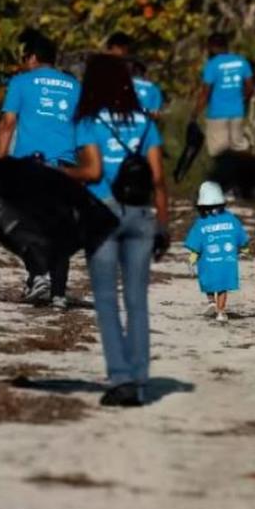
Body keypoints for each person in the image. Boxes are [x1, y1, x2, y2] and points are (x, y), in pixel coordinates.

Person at [62, 54, 170, 407]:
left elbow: (92, 172)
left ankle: (120, 378)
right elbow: (158, 179)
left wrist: (59, 172)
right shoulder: (143, 122)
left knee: (106, 300)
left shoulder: (88, 120)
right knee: (137, 301)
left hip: (102, 214)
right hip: (141, 215)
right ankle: (140, 378)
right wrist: (163, 225)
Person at [0, 30, 81, 308]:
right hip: (66, 165)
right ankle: (58, 294)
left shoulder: (20, 82)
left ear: (32, 57)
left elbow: (8, 124)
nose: (23, 61)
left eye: (24, 56)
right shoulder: (74, 86)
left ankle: (38, 277)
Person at [184, 181, 249, 322]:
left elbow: (196, 243)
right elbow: (240, 235)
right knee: (223, 286)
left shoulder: (201, 222)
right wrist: (244, 248)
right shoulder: (231, 219)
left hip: (208, 260)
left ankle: (211, 302)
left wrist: (193, 257)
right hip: (226, 260)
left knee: (208, 281)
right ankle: (220, 312)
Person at [191, 32, 255, 156]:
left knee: (219, 152)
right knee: (238, 148)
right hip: (237, 112)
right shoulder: (242, 61)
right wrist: (242, 101)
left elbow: (205, 93)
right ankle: (244, 171)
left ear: (211, 47)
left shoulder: (212, 65)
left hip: (217, 114)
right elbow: (250, 87)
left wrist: (194, 114)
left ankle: (225, 174)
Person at [105, 32, 164, 118]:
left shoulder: (145, 85)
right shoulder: (102, 69)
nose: (125, 52)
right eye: (123, 48)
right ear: (115, 47)